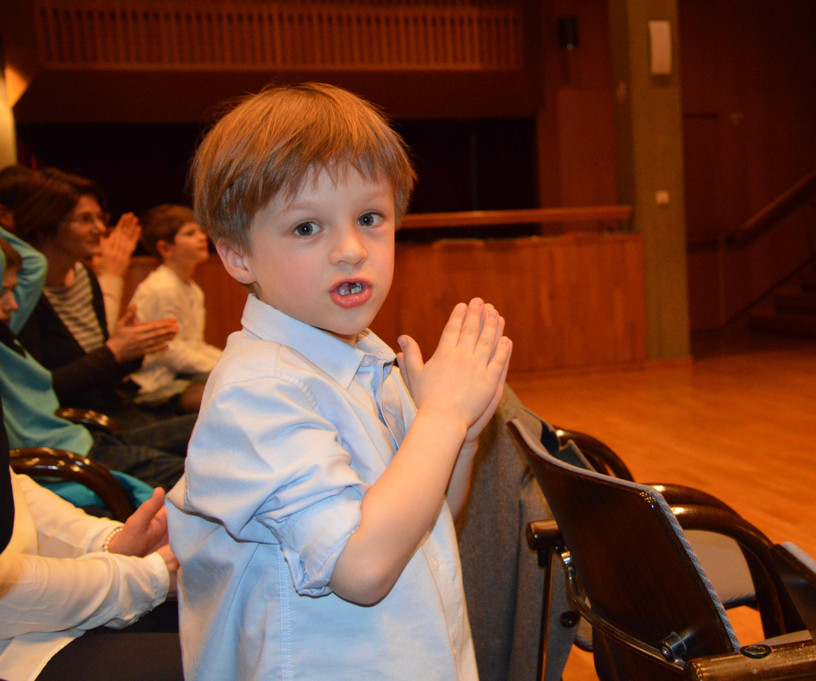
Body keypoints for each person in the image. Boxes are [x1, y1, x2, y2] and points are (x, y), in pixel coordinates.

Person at [166, 82, 512, 681]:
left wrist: (462, 439)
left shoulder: (367, 360)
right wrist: (440, 418)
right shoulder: (256, 392)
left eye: (370, 218)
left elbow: (427, 518)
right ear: (238, 256)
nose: (351, 250)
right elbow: (361, 567)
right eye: (307, 228)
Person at [1, 228, 189, 494]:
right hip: (64, 458)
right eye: (3, 291)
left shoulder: (7, 325)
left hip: (82, 436)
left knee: (209, 427)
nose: (13, 304)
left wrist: (126, 353)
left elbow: (33, 263)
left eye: (12, 290)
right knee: (202, 476)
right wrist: (112, 353)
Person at [9, 167, 181, 428]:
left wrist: (133, 348)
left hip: (112, 413)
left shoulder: (84, 277)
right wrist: (113, 352)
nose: (100, 228)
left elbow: (103, 374)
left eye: (100, 217)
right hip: (73, 429)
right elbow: (36, 392)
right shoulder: (20, 295)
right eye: (85, 219)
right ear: (46, 224)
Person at [0, 467, 181, 681]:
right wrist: (151, 577)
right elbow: (9, 588)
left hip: (43, 614)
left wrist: (111, 545)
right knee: (200, 664)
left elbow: (14, 492)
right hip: (13, 652)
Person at [128, 204, 221, 412]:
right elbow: (169, 352)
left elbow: (194, 344)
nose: (202, 237)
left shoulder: (192, 289)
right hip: (155, 385)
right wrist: (221, 365)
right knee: (229, 389)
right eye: (190, 233)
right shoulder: (161, 287)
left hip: (181, 375)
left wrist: (227, 359)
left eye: (200, 231)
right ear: (165, 249)